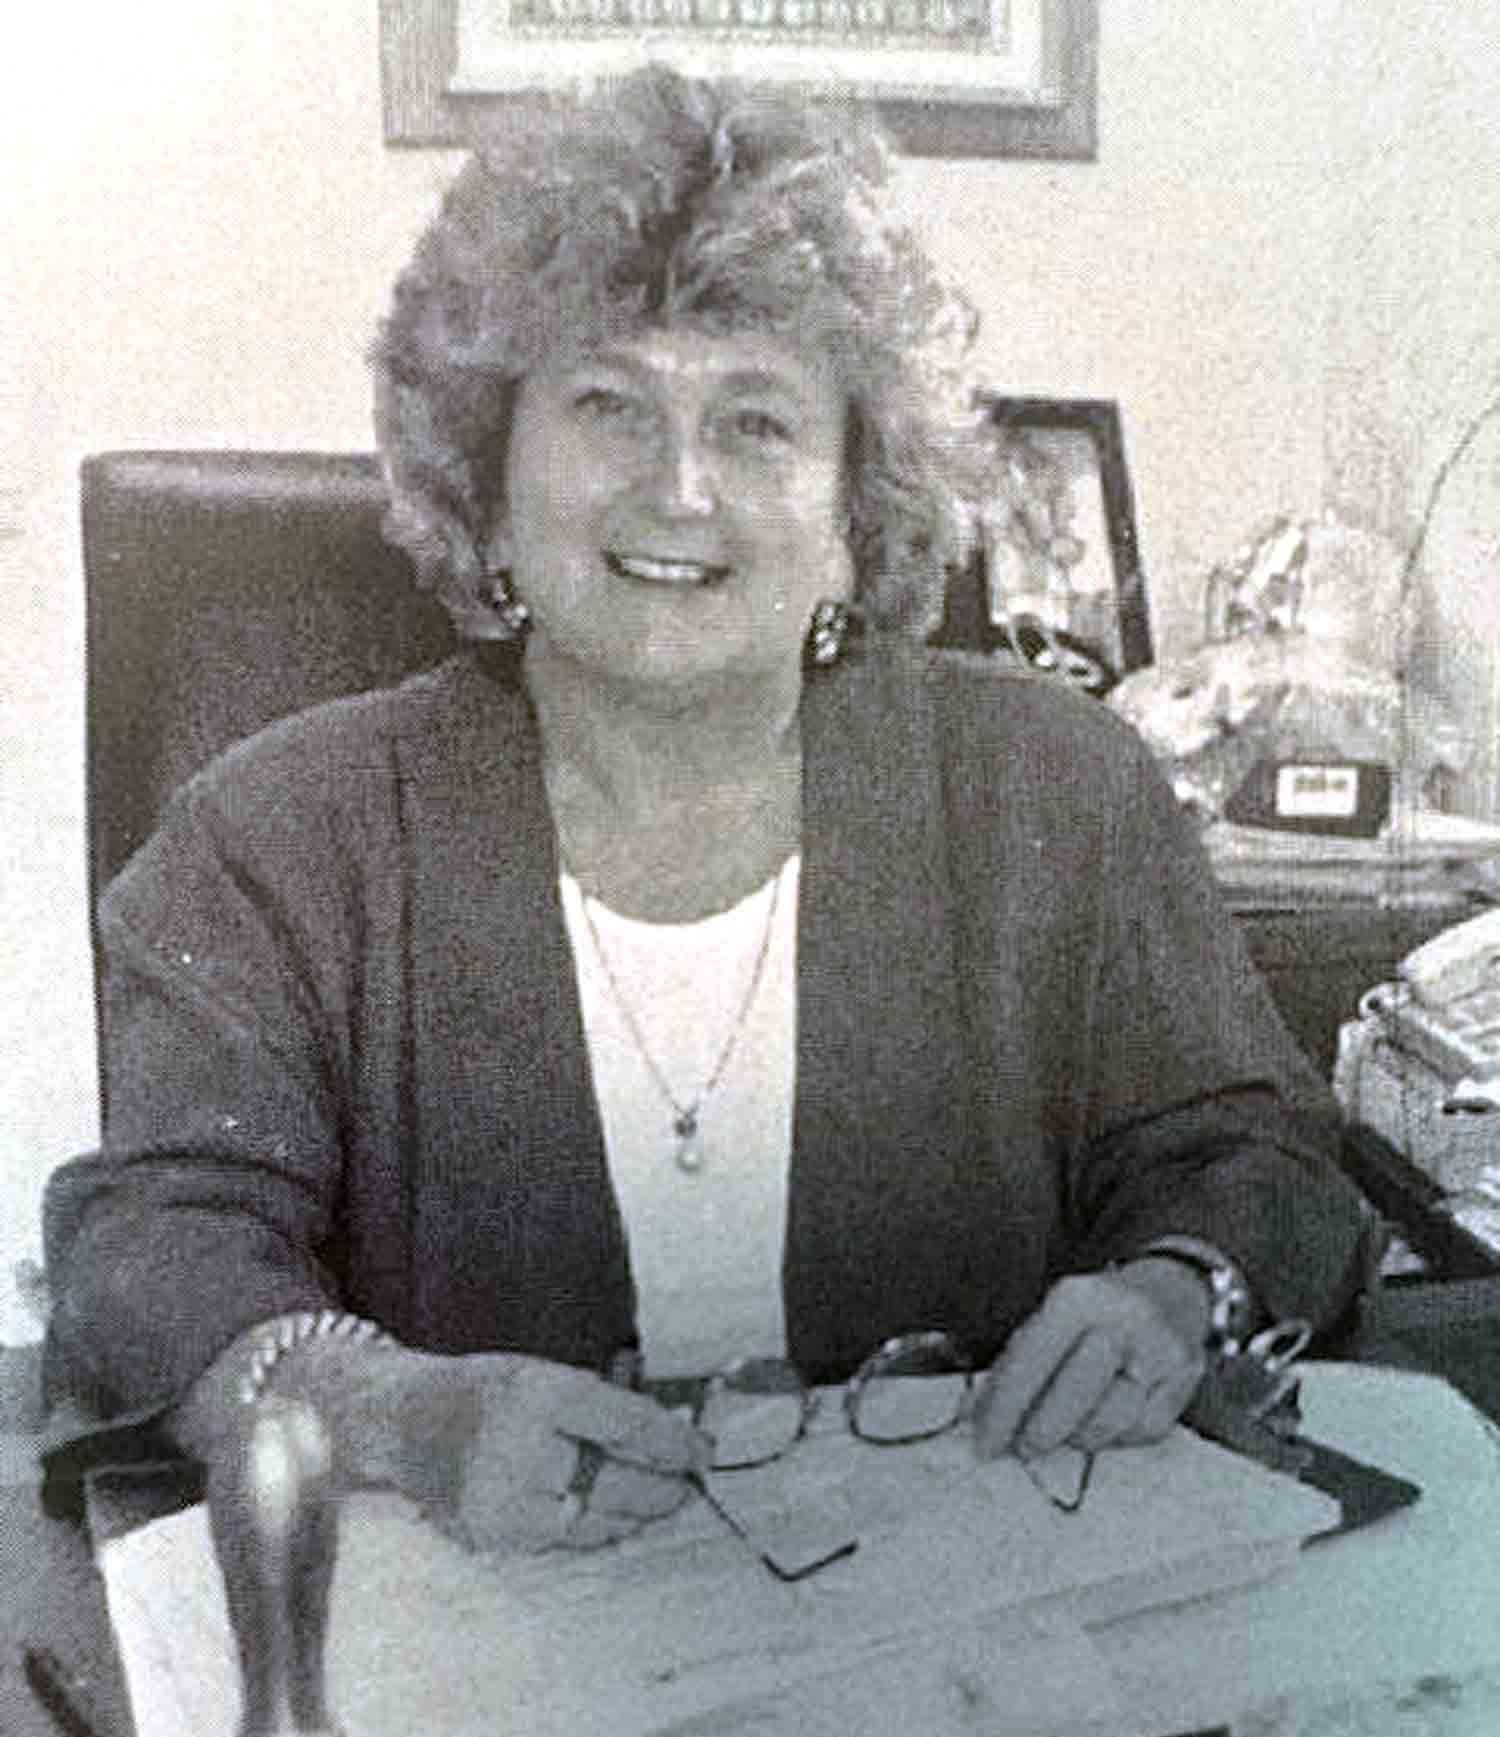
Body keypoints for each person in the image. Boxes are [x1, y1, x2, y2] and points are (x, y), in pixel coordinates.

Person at [42, 65, 1369, 1557]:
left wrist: (1172, 1291)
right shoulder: (278, 834)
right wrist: (392, 1417)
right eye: (610, 405)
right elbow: (153, 1240)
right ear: (486, 478)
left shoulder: (1057, 789)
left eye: (756, 424)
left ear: (857, 518)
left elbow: (1256, 1152)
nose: (680, 490)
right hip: (488, 1665)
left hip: (977, 1622)